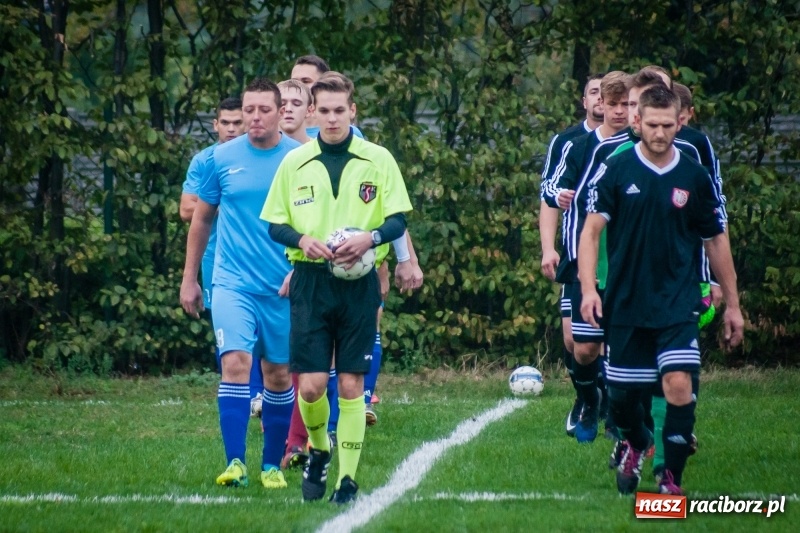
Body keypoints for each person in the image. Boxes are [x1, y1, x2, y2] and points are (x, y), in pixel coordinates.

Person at [578, 84, 743, 495]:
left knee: (678, 385)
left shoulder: (694, 175)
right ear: (637, 122)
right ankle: (637, 442)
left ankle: (670, 481)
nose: (660, 133)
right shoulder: (616, 170)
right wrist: (588, 289)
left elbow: (715, 239)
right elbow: (591, 233)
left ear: (679, 121)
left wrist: (733, 304)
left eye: (668, 125)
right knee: (621, 399)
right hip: (626, 302)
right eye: (652, 124)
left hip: (677, 301)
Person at [261, 71, 413, 504]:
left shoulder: (378, 159)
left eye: (339, 111)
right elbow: (275, 223)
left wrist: (372, 238)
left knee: (350, 385)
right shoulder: (294, 162)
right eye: (323, 111)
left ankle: (347, 479)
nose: (331, 119)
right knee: (309, 387)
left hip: (359, 284)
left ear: (352, 111)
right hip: (310, 282)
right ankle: (319, 450)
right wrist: (302, 240)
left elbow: (398, 218)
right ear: (312, 112)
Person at [180, 77, 301, 490]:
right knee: (235, 364)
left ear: (281, 111)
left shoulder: (301, 159)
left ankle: (271, 466)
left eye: (263, 110)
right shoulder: (221, 157)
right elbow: (202, 218)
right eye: (248, 110)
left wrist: (301, 268)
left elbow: (318, 221)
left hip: (284, 286)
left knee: (279, 374)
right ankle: (235, 463)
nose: (253, 117)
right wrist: (190, 279)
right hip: (231, 282)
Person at [542, 71, 631, 443]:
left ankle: (616, 413)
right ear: (599, 104)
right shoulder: (579, 146)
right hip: (584, 259)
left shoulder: (639, 148)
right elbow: (550, 187)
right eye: (614, 104)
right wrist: (559, 196)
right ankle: (588, 398)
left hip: (626, 259)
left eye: (627, 104)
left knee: (622, 345)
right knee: (583, 347)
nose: (620, 111)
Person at [179, 98, 266, 416]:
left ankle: (258, 394)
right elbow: (187, 209)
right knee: (230, 333)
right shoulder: (206, 160)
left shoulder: (262, 155)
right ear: (215, 125)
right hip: (216, 259)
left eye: (236, 122)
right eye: (224, 123)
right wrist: (224, 201)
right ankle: (243, 393)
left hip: (257, 259)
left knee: (261, 332)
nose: (231, 129)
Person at [539, 73, 604, 439]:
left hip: (618, 257)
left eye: (607, 95)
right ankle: (586, 396)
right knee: (574, 342)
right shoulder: (568, 142)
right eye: (593, 93)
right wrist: (549, 248)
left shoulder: (632, 143)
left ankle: (609, 403)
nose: (600, 100)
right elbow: (548, 197)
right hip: (577, 255)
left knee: (605, 339)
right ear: (585, 100)